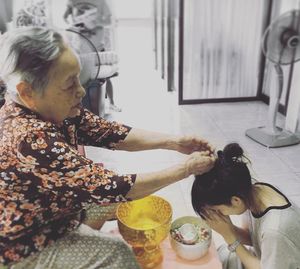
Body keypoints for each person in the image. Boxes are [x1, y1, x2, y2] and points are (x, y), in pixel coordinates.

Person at [0, 27, 215, 269]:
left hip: (58, 211)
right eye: (69, 84)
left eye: (78, 79)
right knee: (117, 254)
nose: (80, 91)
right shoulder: (28, 140)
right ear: (27, 92)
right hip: (27, 245)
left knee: (127, 205)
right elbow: (114, 186)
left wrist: (175, 142)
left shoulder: (51, 108)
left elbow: (110, 133)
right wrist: (186, 169)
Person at [191, 143, 300, 269]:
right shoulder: (253, 192)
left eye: (218, 210)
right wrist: (226, 228)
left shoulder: (275, 230)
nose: (219, 213)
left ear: (235, 201)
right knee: (218, 256)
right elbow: (253, 238)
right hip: (269, 259)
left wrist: (229, 236)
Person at [63, 0, 122, 113]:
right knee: (82, 77)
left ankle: (112, 103)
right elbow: (65, 17)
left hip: (98, 46)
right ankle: (83, 108)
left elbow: (110, 21)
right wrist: (76, 25)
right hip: (81, 47)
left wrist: (93, 23)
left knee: (106, 78)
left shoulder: (101, 2)